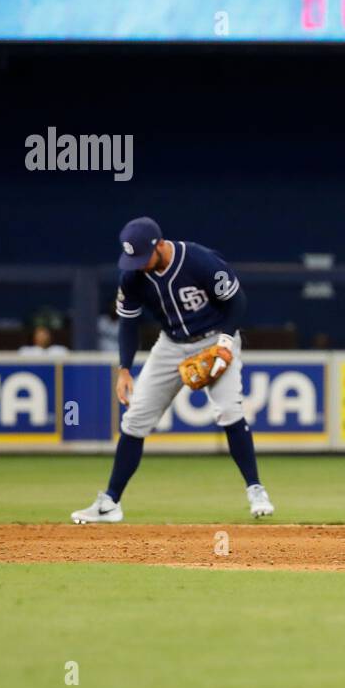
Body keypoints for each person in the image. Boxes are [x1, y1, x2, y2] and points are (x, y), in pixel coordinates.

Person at [70, 216, 274, 524]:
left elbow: (237, 302)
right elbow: (128, 322)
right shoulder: (132, 277)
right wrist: (124, 369)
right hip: (171, 344)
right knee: (135, 419)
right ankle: (110, 502)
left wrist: (225, 343)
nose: (137, 264)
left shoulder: (199, 260)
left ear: (160, 245)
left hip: (215, 337)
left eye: (142, 256)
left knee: (229, 411)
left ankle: (256, 489)